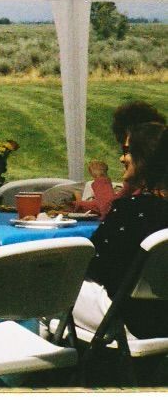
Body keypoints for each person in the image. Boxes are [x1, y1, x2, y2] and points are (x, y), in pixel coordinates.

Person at [75, 121, 168, 339]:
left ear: (145, 157)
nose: (121, 158)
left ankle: (34, 370)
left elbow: (95, 266)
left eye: (127, 151)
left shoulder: (132, 211)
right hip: (162, 317)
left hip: (132, 318)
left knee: (45, 292)